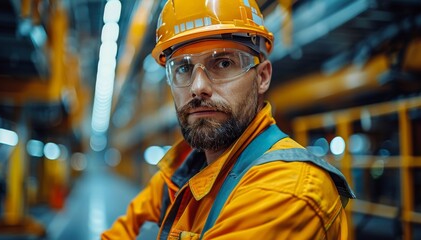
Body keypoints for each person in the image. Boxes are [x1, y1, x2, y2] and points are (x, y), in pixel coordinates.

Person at [102, 0, 355, 239]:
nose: (198, 87)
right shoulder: (181, 172)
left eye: (223, 63)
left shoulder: (287, 189)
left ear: (262, 77)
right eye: (183, 68)